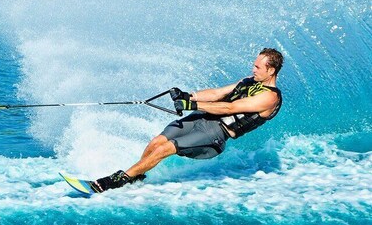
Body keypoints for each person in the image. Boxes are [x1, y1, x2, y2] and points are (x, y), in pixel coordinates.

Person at [89, 48, 284, 193]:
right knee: (157, 142)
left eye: (258, 67)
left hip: (216, 133)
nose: (253, 69)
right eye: (254, 64)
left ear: (271, 71)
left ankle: (117, 181)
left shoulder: (270, 97)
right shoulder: (249, 81)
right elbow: (218, 93)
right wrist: (189, 96)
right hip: (203, 118)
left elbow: (229, 107)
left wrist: (193, 106)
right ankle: (136, 176)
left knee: (166, 149)